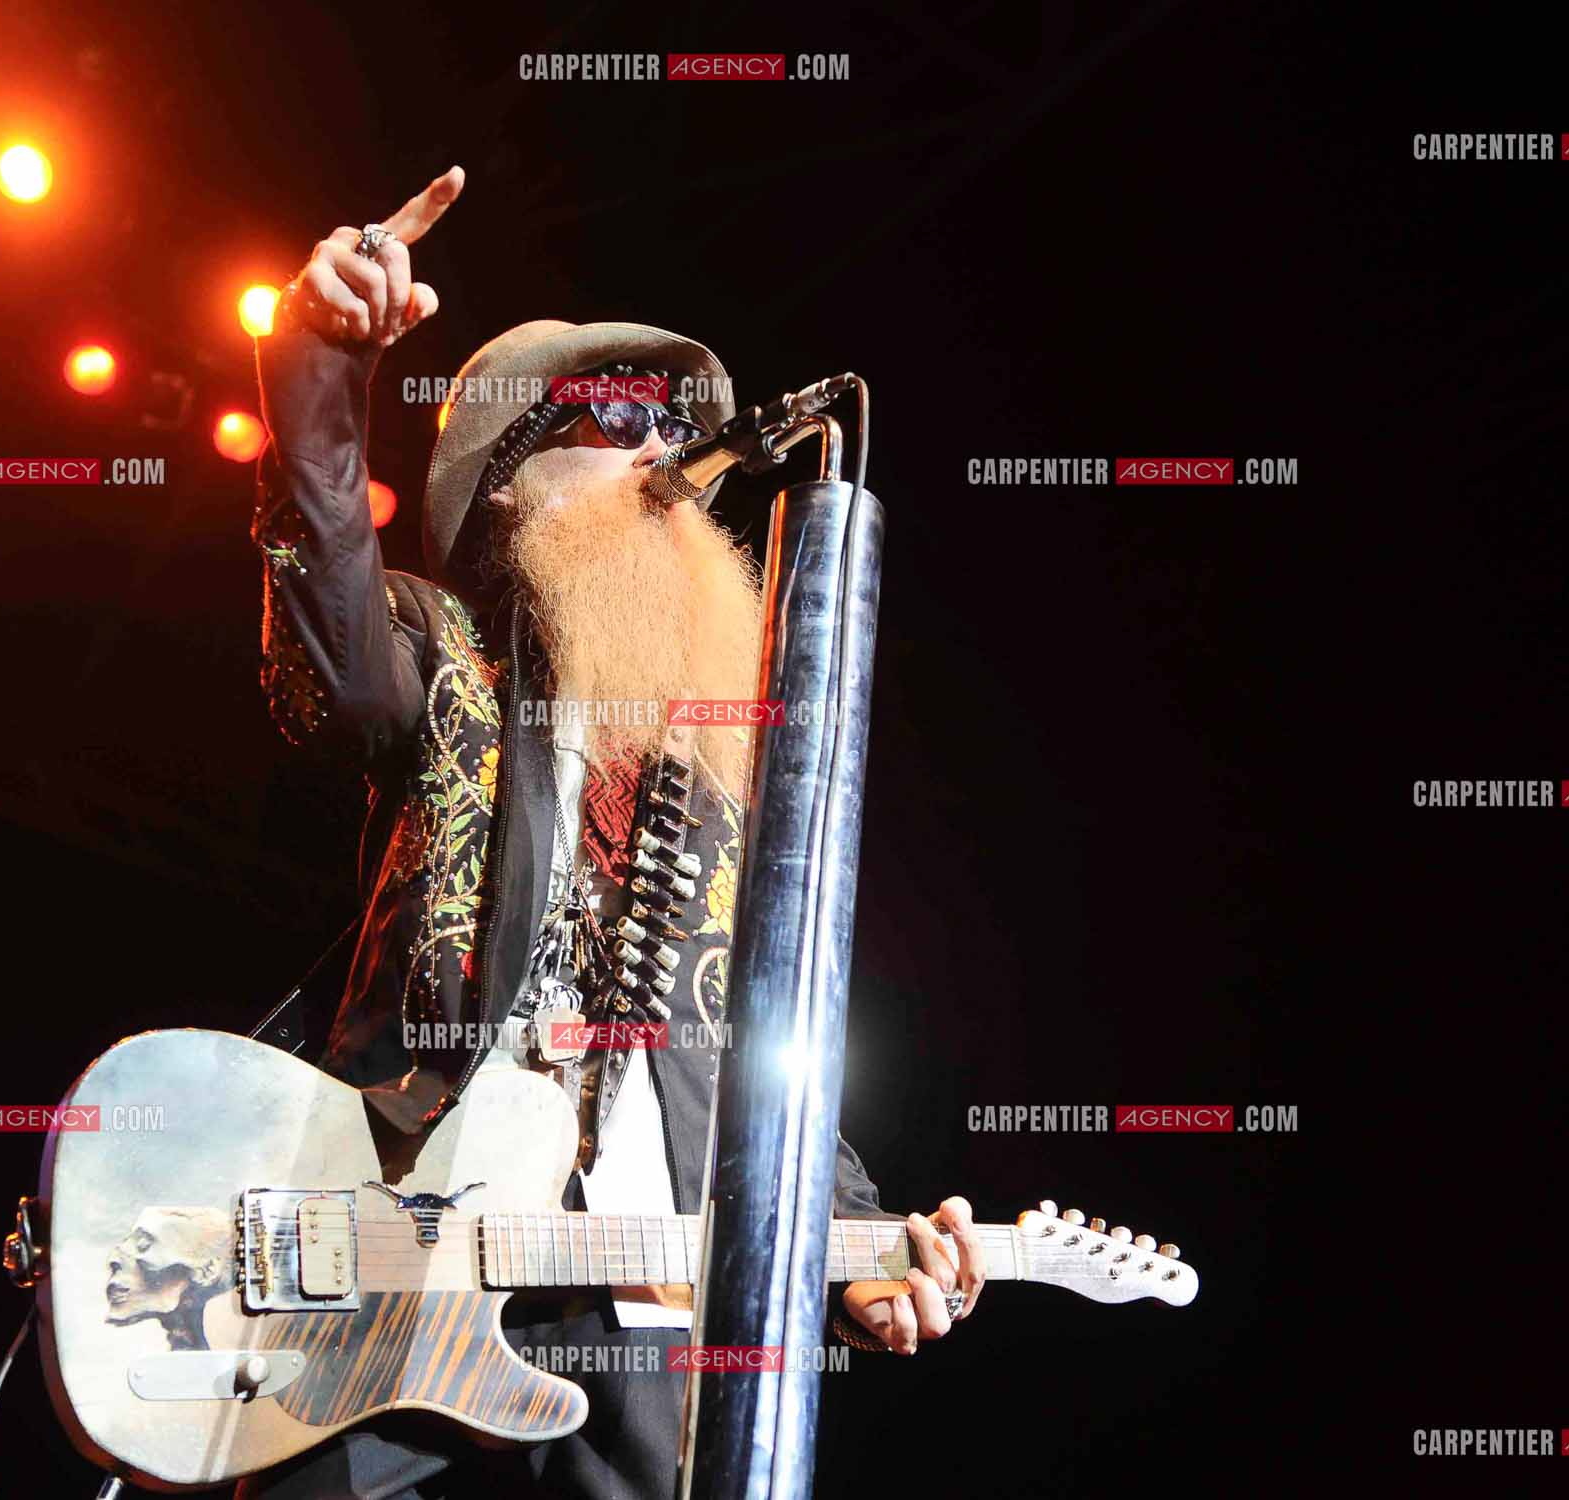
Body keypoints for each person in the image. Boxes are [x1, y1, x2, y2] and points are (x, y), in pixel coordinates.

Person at [241, 166, 1020, 1500]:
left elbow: (760, 1066)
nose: (662, 449)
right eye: (613, 418)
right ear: (510, 487)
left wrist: (855, 1252)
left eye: (670, 423)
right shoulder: (447, 664)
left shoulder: (735, 775)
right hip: (395, 1270)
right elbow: (323, 620)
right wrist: (317, 362)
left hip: (646, 1327)